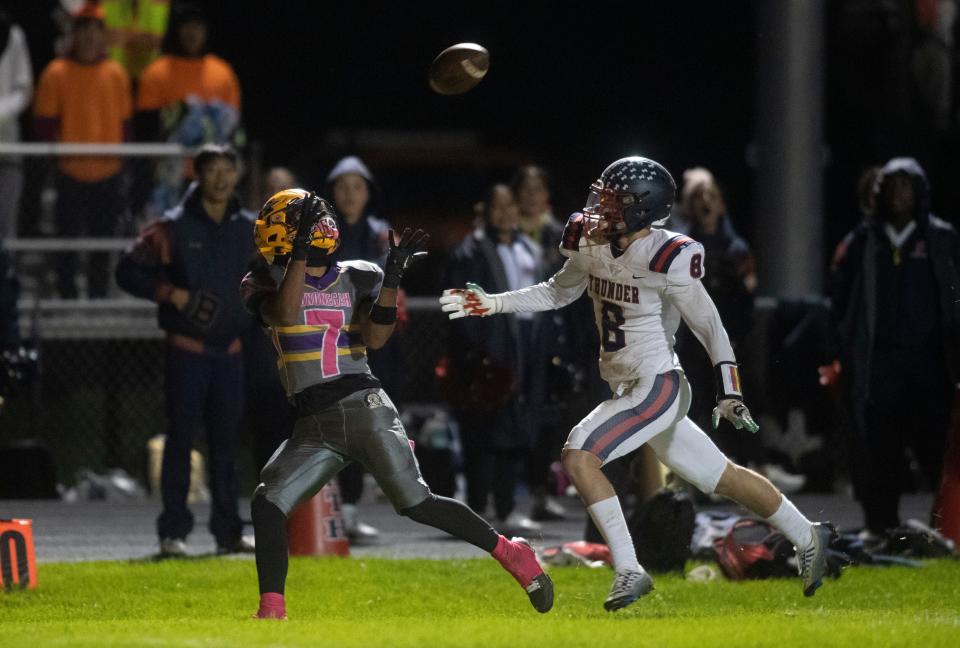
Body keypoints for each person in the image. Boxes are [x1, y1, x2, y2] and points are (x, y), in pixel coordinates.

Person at [441, 156, 833, 610]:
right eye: (603, 196)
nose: (600, 208)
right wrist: (493, 303)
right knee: (721, 477)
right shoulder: (589, 241)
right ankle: (809, 536)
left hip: (657, 384)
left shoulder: (668, 254)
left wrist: (730, 389)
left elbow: (710, 325)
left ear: (644, 208)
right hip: (627, 386)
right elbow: (557, 290)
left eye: (614, 201)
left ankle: (629, 569)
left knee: (579, 455)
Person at [241, 189, 553, 620]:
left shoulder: (358, 275)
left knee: (416, 503)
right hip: (312, 422)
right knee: (267, 503)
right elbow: (286, 313)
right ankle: (271, 611)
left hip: (361, 405)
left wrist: (391, 280)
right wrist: (298, 255)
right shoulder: (262, 279)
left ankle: (511, 552)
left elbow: (375, 338)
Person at [115, 144, 255, 557]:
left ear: (237, 174)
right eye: (213, 169)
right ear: (197, 173)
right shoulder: (171, 228)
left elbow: (267, 277)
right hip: (187, 352)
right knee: (180, 442)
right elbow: (126, 271)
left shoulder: (249, 229)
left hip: (231, 352)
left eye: (229, 169)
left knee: (227, 445)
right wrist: (170, 293)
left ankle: (228, 533)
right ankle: (172, 533)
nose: (221, 178)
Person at [829, 157, 959, 536]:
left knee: (936, 452)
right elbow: (840, 302)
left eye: (907, 185)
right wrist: (843, 351)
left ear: (920, 191)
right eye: (892, 185)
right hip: (879, 370)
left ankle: (945, 529)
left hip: (930, 369)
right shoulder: (863, 241)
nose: (899, 193)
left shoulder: (940, 238)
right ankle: (881, 529)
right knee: (879, 455)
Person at [443, 184, 544, 534]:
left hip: (521, 351)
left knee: (513, 435)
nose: (505, 212)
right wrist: (478, 354)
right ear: (483, 210)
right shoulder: (469, 251)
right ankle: (478, 511)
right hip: (486, 358)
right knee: (481, 438)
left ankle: (507, 508)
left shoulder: (526, 249)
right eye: (497, 205)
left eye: (510, 204)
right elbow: (459, 305)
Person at [34, 3, 131, 297]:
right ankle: (67, 302)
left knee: (103, 247)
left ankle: (98, 301)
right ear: (74, 33)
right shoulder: (55, 73)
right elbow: (44, 128)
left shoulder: (116, 73)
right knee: (67, 246)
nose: (89, 35)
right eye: (84, 29)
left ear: (102, 35)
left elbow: (126, 128)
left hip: (108, 175)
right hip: (70, 174)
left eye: (95, 29)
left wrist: (124, 169)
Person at [325, 155, 393, 540]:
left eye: (357, 187)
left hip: (365, 341)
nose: (350, 195)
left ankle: (348, 511)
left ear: (368, 193)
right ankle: (322, 512)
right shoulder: (321, 232)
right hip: (325, 341)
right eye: (342, 187)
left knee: (364, 428)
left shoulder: (380, 235)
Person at [136, 3, 241, 215]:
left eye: (198, 27)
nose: (192, 33)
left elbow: (234, 129)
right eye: (187, 26)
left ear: (206, 31)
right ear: (177, 30)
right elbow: (146, 129)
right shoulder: (156, 73)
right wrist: (180, 112)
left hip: (214, 176)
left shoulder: (223, 73)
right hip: (169, 178)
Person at [0, 10, 32, 240]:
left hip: (7, 144)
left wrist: (1, 111)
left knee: (5, 220)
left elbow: (24, 88)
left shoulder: (13, 35)